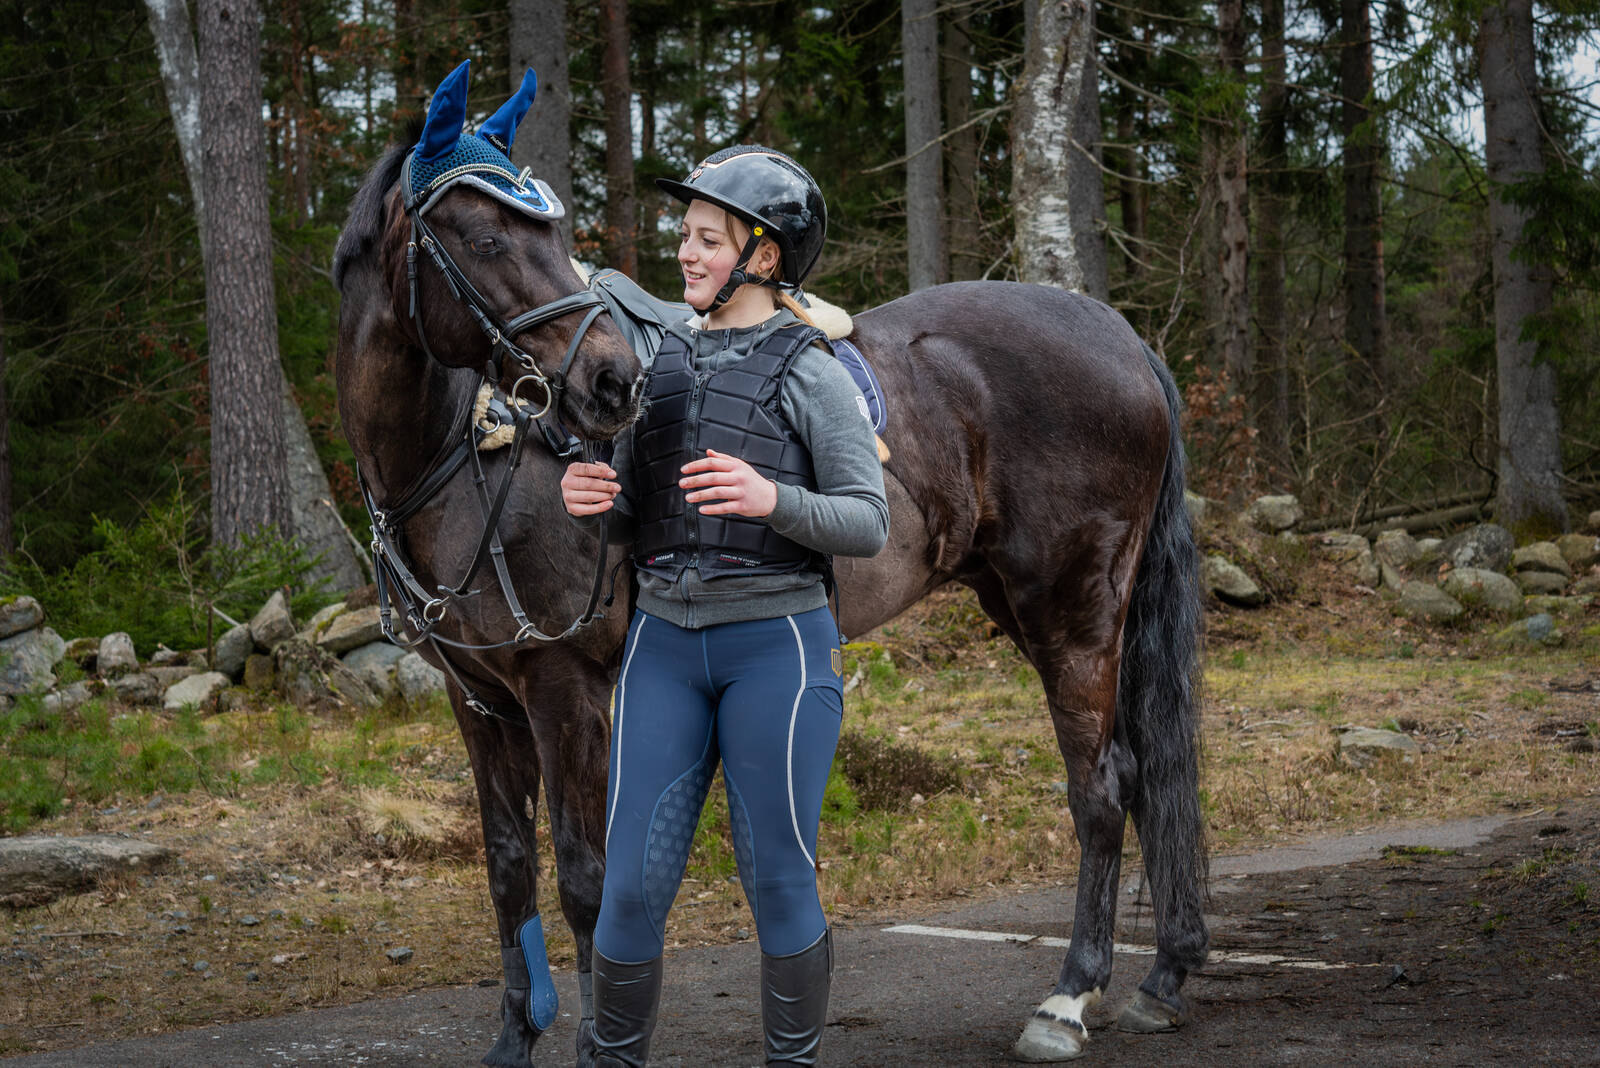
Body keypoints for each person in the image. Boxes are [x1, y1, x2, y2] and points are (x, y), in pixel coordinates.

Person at [561, 145, 889, 1067]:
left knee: (778, 879)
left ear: (764, 255)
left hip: (777, 649)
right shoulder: (658, 362)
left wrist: (771, 498)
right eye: (685, 235)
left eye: (709, 239)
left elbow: (868, 521)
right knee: (629, 888)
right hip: (662, 646)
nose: (686, 252)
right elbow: (639, 513)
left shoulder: (812, 370)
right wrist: (591, 504)